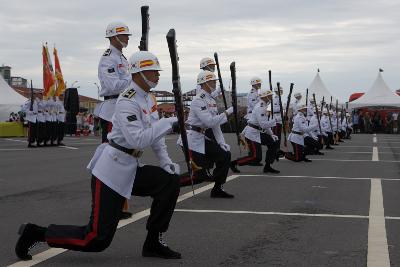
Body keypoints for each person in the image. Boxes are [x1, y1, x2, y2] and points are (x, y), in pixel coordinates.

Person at [15, 51, 182, 261]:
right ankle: (36, 233)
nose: (157, 74)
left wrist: (165, 161)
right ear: (138, 72)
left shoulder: (148, 99)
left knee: (169, 182)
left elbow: (155, 136)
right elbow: (137, 140)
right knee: (96, 239)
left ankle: (153, 242)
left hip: (131, 166)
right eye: (153, 70)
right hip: (111, 172)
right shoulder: (126, 101)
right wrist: (169, 123)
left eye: (158, 70)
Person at [94, 22, 133, 219]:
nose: (127, 38)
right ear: (113, 37)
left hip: (121, 110)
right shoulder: (107, 59)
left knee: (122, 158)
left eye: (127, 35)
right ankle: (103, 205)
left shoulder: (123, 58)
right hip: (111, 111)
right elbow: (112, 86)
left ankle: (117, 205)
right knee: (110, 159)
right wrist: (135, 78)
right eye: (124, 35)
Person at [179, 70, 235, 198]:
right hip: (191, 140)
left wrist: (221, 142)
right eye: (211, 81)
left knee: (224, 155)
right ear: (204, 83)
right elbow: (209, 122)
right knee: (199, 176)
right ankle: (171, 184)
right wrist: (227, 113)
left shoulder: (211, 100)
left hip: (201, 137)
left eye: (214, 81)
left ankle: (218, 188)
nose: (214, 83)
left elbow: (215, 125)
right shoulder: (199, 100)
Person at [231, 89, 280, 173]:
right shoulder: (260, 107)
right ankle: (233, 163)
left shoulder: (264, 106)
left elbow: (265, 123)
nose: (271, 97)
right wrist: (275, 119)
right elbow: (263, 124)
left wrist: (271, 134)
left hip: (258, 132)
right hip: (252, 134)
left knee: (273, 143)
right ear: (265, 97)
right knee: (256, 157)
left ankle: (267, 166)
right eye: (270, 95)